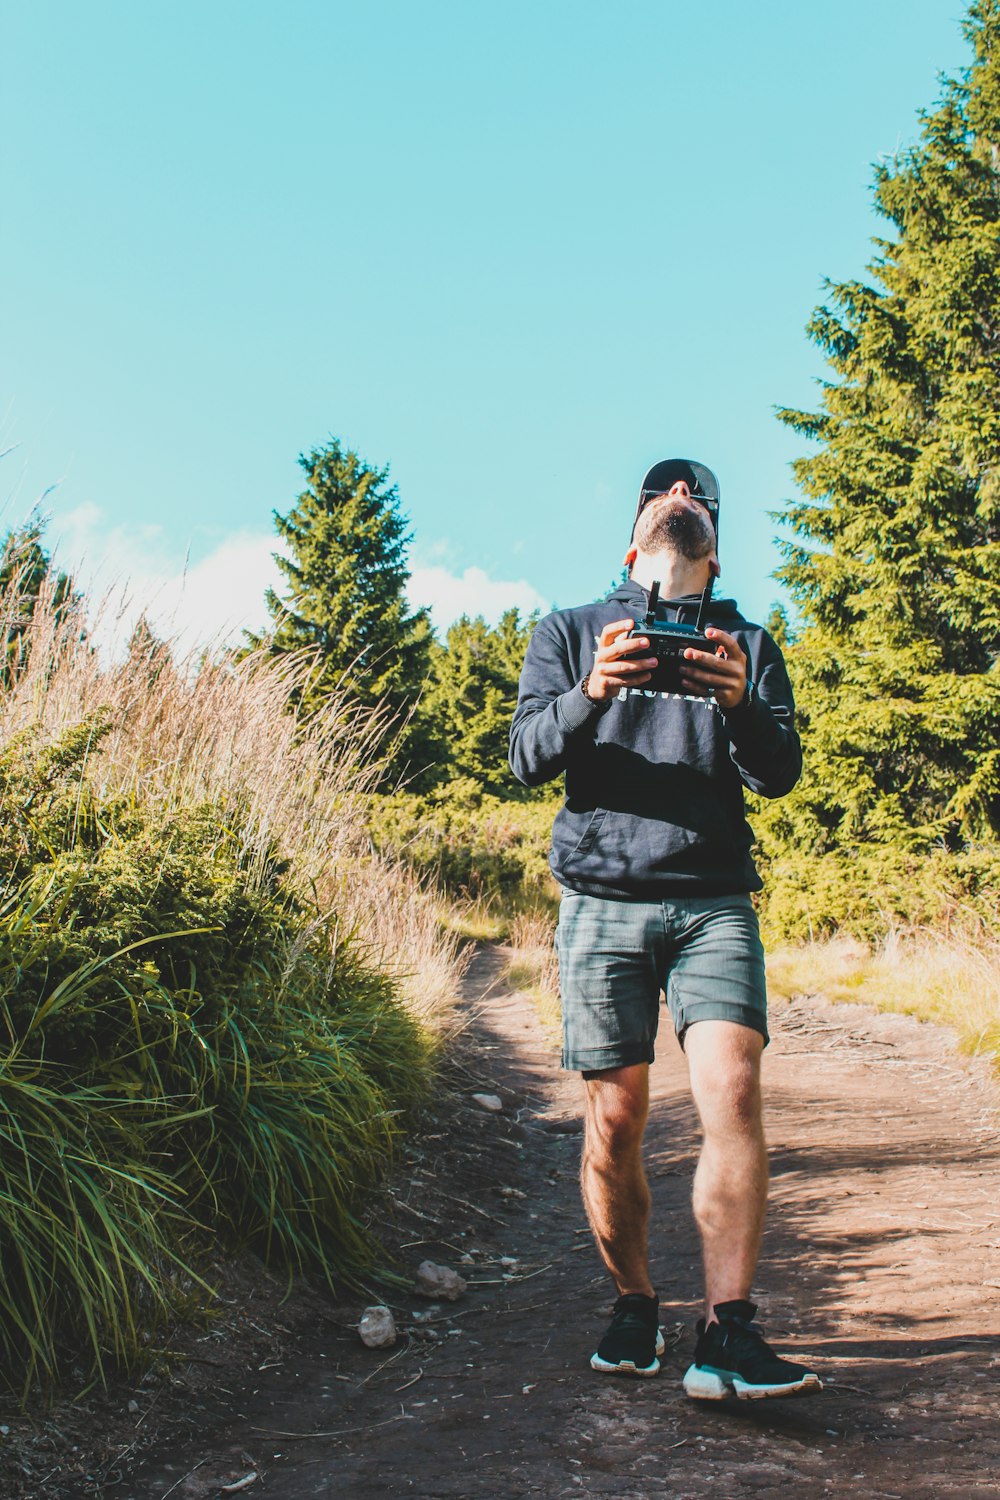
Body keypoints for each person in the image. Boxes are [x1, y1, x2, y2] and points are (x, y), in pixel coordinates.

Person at [508, 458, 822, 1401]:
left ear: (714, 552)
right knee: (616, 1118)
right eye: (663, 494)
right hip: (601, 898)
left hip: (713, 899)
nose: (680, 499)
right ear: (634, 537)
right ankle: (635, 1302)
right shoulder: (569, 633)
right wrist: (593, 690)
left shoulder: (747, 643)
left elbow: (781, 773)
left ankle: (728, 1333)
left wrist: (740, 707)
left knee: (731, 1092)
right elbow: (525, 755)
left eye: (698, 500)